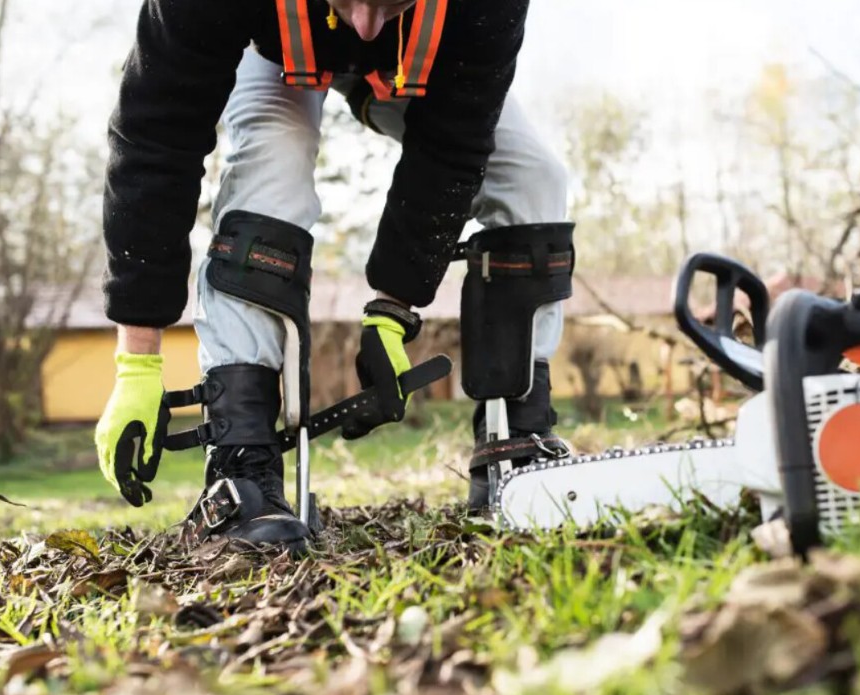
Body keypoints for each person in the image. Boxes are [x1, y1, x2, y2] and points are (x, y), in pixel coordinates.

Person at [94, 0, 576, 556]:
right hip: (267, 43)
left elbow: (453, 145)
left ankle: (515, 444)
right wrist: (137, 358)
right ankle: (241, 462)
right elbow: (156, 138)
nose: (367, 24)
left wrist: (393, 308)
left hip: (420, 60)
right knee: (274, 164)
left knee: (535, 177)